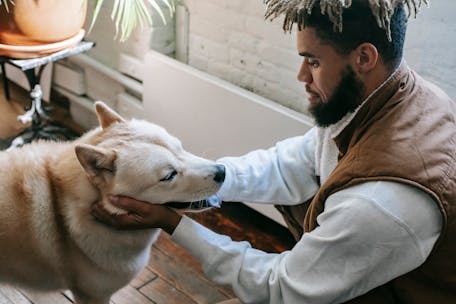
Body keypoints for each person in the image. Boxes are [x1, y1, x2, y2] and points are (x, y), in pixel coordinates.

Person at [92, 0, 456, 303]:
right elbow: (293, 163)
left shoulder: (382, 204)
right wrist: (199, 181)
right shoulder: (388, 96)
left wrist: (171, 223)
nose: (302, 76)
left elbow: (280, 288)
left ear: (364, 57)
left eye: (313, 61)